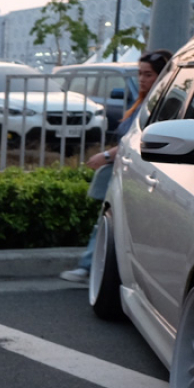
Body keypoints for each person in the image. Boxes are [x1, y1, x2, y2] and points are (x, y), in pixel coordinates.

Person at [60, 48, 173, 283]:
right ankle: (92, 266)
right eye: (140, 74)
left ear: (162, 76)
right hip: (130, 171)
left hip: (144, 176)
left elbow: (136, 140)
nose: (142, 79)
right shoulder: (143, 103)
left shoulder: (162, 107)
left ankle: (91, 267)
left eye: (149, 74)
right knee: (109, 219)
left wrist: (107, 156)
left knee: (111, 220)